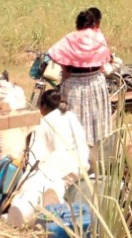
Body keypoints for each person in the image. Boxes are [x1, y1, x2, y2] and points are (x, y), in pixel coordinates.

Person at [6, 88, 90, 229]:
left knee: (34, 184)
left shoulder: (44, 123)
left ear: (43, 107)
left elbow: (35, 159)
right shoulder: (71, 116)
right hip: (82, 165)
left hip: (62, 168)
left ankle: (32, 212)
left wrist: (23, 182)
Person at [47, 8, 113, 155]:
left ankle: (75, 156)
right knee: (97, 122)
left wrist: (66, 70)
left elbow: (53, 54)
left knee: (73, 122)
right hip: (96, 83)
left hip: (73, 86)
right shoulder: (98, 37)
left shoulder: (71, 38)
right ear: (95, 23)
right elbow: (105, 59)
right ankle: (97, 157)